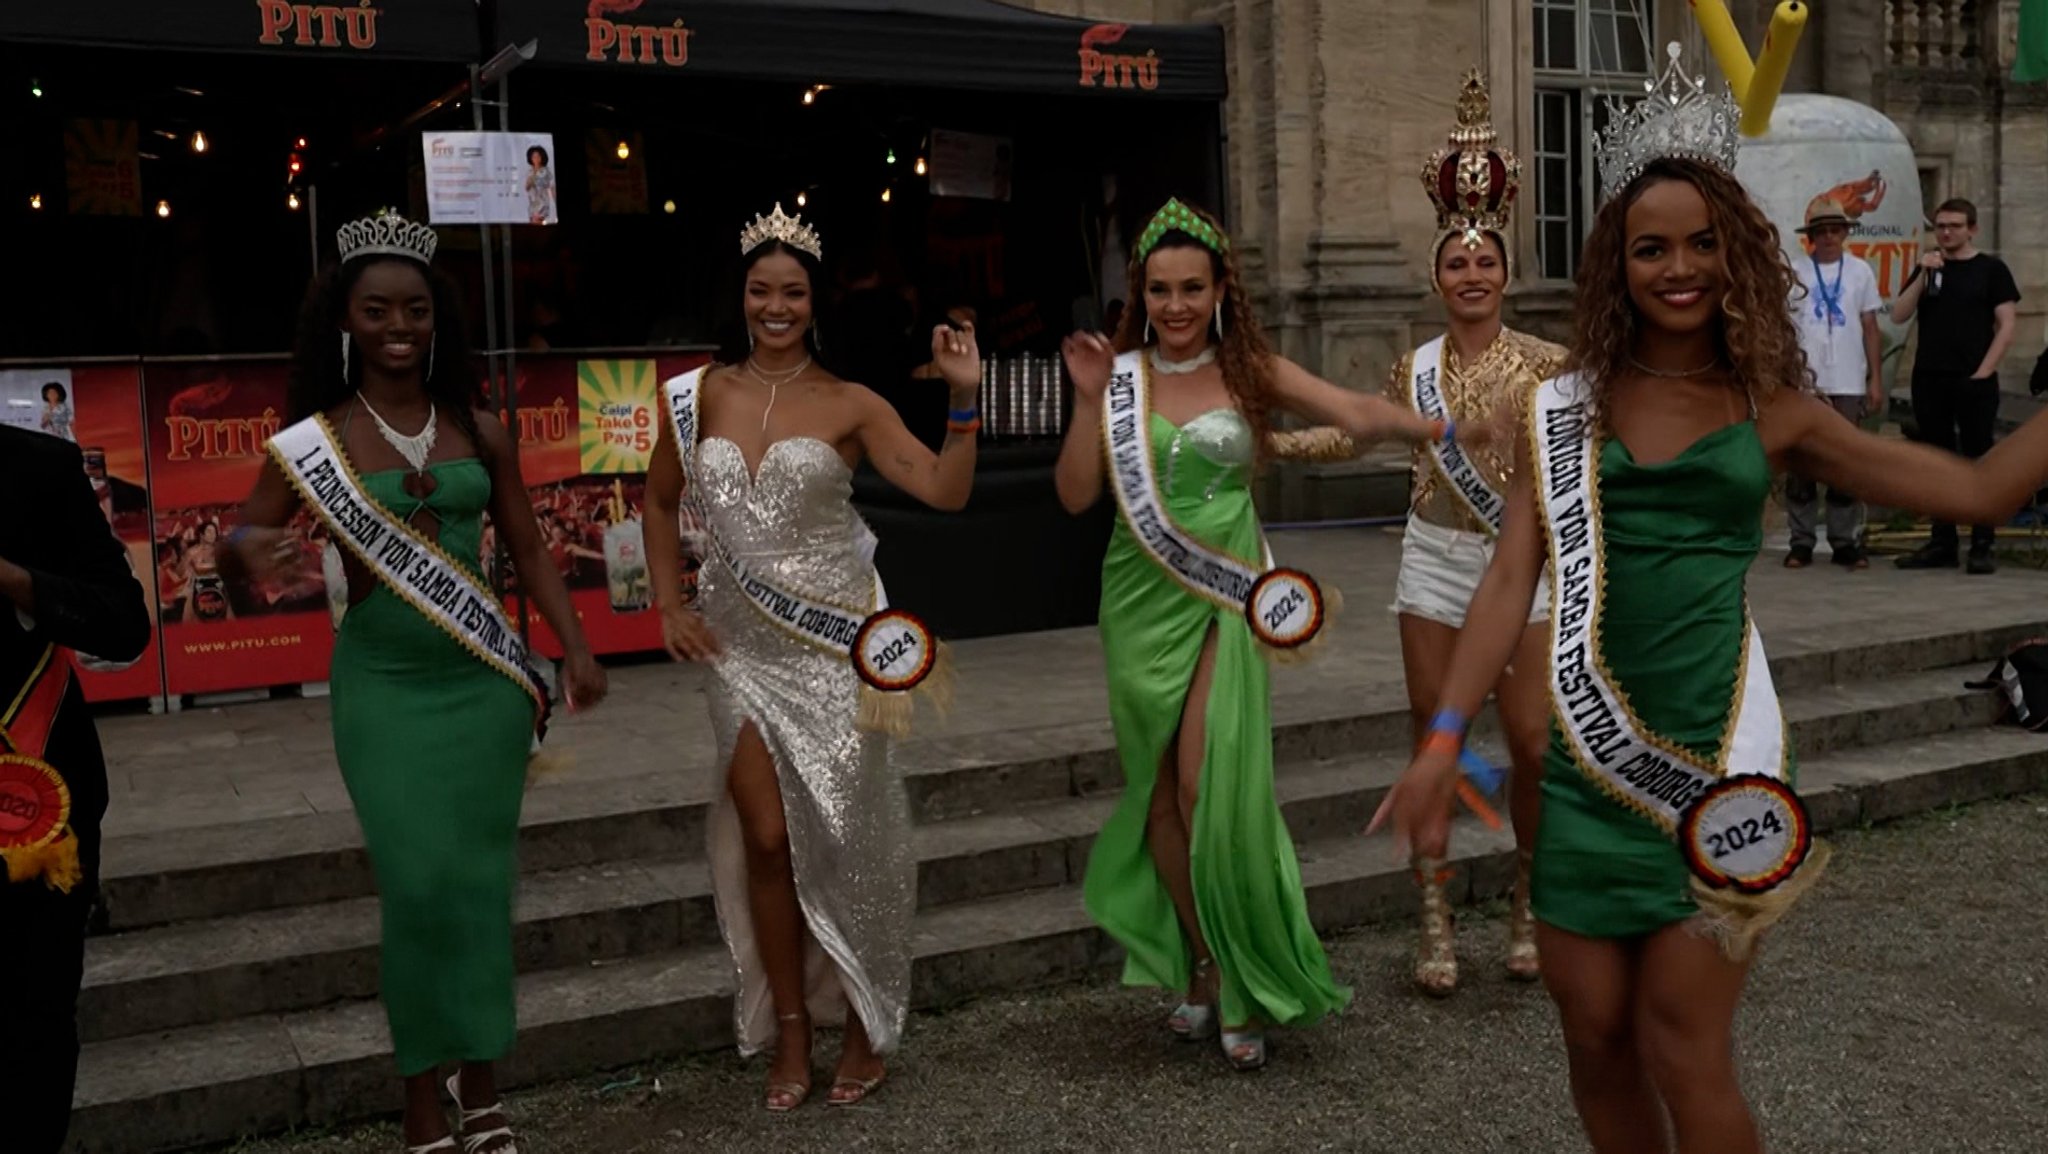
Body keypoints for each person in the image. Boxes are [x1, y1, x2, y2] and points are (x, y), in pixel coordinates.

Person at [1373, 44, 2048, 1154]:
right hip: (1589, 777)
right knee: (1592, 1036)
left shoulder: (1773, 410)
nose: (1675, 267)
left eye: (1698, 244)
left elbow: (1975, 488)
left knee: (1682, 1043)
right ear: (1615, 263)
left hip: (1715, 765)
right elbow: (1509, 579)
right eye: (1649, 247)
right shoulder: (1564, 410)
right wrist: (1443, 734)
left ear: (1733, 254)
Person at [1055, 197, 1495, 1071]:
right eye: (1159, 290)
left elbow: (1354, 412)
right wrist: (1087, 399)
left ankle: (1249, 971)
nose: (1176, 305)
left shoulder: (1249, 369)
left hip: (1227, 594)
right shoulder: (1123, 377)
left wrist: (1441, 428)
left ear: (1222, 289)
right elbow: (1073, 495)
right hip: (1138, 594)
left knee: (1205, 782)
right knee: (1160, 801)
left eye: (1192, 287)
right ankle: (1205, 965)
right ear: (1139, 293)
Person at [231, 211, 607, 1154]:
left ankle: (480, 1091)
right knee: (416, 885)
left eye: (414, 310)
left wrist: (574, 644)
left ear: (437, 320)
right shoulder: (313, 442)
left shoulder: (480, 429)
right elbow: (242, 541)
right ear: (344, 323)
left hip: (479, 686)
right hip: (384, 686)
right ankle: (419, 1098)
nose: (397, 326)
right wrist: (256, 551)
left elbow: (525, 542)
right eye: (375, 311)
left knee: (479, 888)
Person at [643, 203, 980, 1111]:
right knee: (763, 835)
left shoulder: (853, 403)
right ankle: (791, 1030)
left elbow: (945, 492)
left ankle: (865, 1022)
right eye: (761, 290)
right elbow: (657, 501)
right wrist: (669, 602)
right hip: (738, 651)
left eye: (792, 291)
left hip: (834, 650)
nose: (775, 306)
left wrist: (963, 395)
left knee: (848, 839)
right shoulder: (700, 394)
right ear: (742, 297)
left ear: (815, 300)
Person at [1383, 70, 1565, 995]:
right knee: (1433, 739)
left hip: (1521, 567)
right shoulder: (1408, 369)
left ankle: (1528, 905)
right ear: (1436, 275)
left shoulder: (1548, 364)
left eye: (1485, 259)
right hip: (1433, 563)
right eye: (1456, 262)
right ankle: (1434, 916)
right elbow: (1358, 433)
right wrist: (1276, 429)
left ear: (1505, 269)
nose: (1471, 273)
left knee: (1531, 741)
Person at [0, 425, 152, 1154]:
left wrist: (18, 582)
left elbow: (124, 623)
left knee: (37, 1021)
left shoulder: (39, 467)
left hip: (38, 804)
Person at [1889, 197, 2023, 573]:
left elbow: (2007, 325)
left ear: (1971, 229)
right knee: (1936, 461)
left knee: (1981, 458)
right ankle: (1942, 541)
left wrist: (1984, 370)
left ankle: (1983, 544)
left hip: (1974, 379)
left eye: (1955, 226)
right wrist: (1921, 273)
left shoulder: (1991, 270)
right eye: (1941, 226)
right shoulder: (1928, 266)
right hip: (1930, 377)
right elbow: (1899, 314)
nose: (1946, 232)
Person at [1784, 195, 1886, 570]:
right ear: (1810, 237)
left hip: (1847, 379)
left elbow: (1871, 328)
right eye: (1820, 231)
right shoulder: (1796, 272)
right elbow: (1783, 330)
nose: (1828, 237)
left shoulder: (1860, 271)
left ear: (1845, 233)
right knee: (1803, 462)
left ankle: (1845, 540)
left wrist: (1875, 378)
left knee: (1845, 460)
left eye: (1834, 230)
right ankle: (1801, 540)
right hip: (1805, 382)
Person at [524, 145, 556, 226]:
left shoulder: (546, 171)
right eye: (534, 156)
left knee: (539, 223)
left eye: (538, 156)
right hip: (532, 204)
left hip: (542, 204)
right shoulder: (529, 171)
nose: (536, 159)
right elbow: (527, 187)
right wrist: (532, 176)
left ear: (542, 157)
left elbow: (552, 187)